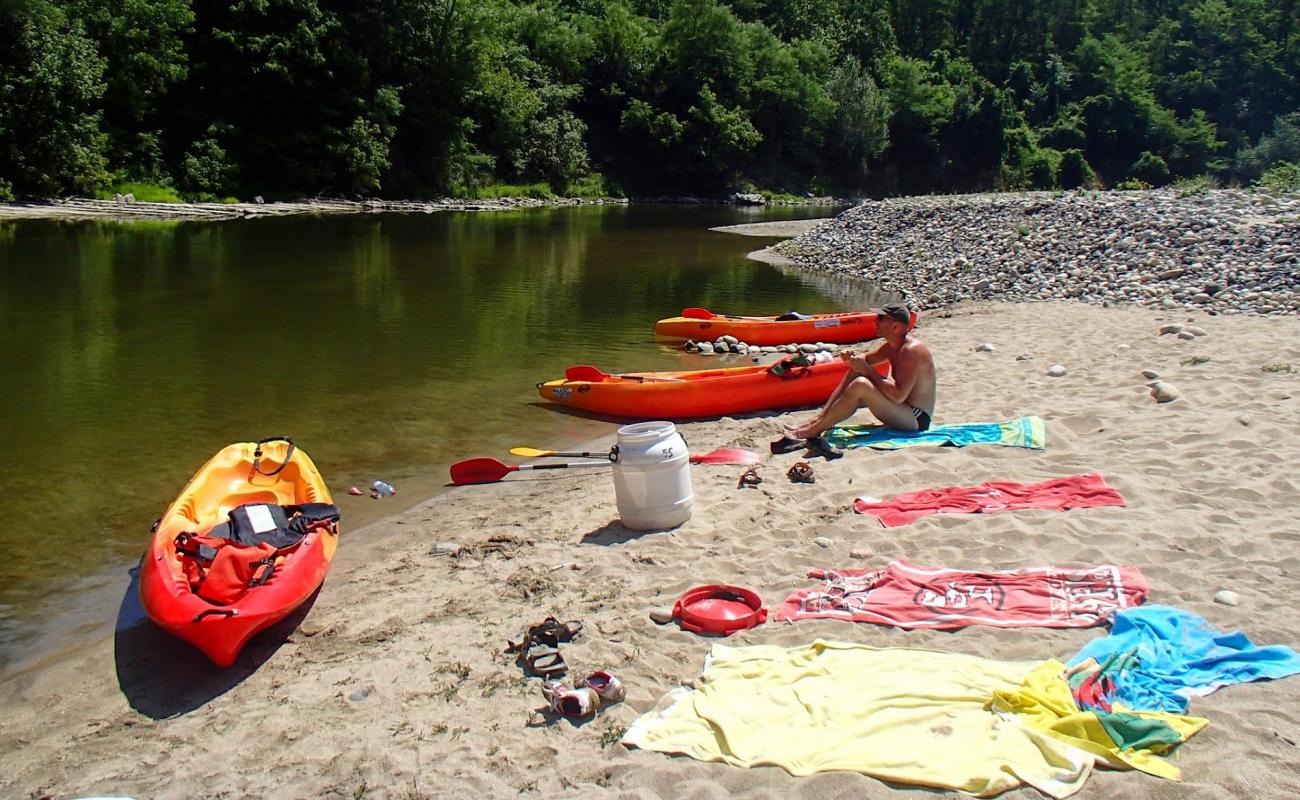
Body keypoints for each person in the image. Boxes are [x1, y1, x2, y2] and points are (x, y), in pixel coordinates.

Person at [773, 304, 936, 454]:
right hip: (902, 410)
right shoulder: (892, 345)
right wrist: (852, 358)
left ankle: (813, 430)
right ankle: (817, 420)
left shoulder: (910, 351)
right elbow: (866, 360)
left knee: (861, 384)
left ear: (896, 326)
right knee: (855, 372)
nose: (875, 321)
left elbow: (899, 395)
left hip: (915, 419)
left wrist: (867, 370)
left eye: (881, 318)